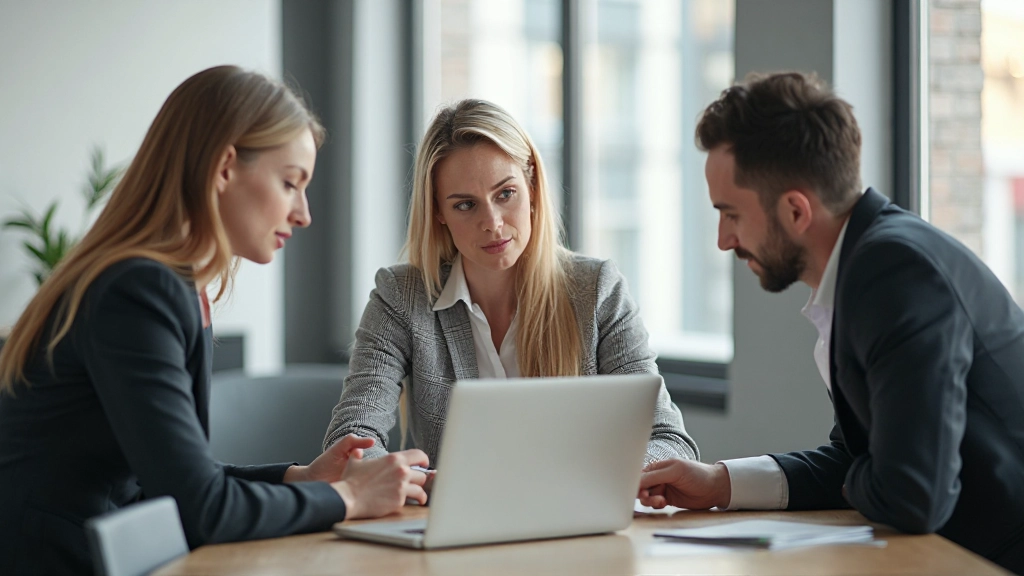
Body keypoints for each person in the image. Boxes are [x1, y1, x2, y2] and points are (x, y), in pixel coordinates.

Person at [0, 66, 429, 575]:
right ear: (225, 167)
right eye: (290, 182)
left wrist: (304, 479)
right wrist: (348, 499)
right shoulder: (139, 290)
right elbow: (201, 506)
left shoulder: (170, 285)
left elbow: (174, 476)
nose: (303, 213)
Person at [637, 72, 1024, 574]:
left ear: (796, 210)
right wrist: (718, 482)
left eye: (730, 214)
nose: (723, 240)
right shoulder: (870, 263)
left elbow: (912, 496)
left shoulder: (894, 275)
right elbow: (861, 460)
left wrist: (869, 472)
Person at [323, 99, 698, 466]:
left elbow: (668, 440)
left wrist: (612, 475)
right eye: (465, 205)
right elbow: (352, 439)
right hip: (453, 521)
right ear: (438, 211)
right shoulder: (402, 297)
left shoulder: (598, 289)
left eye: (505, 194)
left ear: (532, 186)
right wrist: (408, 484)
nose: (493, 223)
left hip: (575, 524)